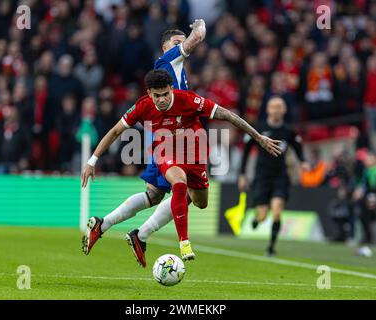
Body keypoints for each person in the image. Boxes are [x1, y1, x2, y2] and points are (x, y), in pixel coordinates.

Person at [81, 70, 282, 262]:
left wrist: (258, 137)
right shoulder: (142, 106)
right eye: (157, 95)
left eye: (165, 94)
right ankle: (184, 242)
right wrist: (92, 161)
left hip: (194, 154)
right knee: (178, 182)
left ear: (171, 88)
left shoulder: (188, 99)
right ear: (149, 93)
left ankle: (131, 232)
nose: (162, 99)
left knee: (199, 201)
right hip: (164, 152)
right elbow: (116, 131)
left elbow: (228, 115)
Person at [82, 20, 207, 266]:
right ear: (165, 48)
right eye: (176, 43)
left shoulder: (177, 70)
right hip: (169, 143)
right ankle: (141, 234)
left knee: (154, 194)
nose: (182, 46)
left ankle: (103, 224)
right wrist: (199, 26)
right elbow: (198, 37)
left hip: (175, 140)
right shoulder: (167, 62)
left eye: (181, 43)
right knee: (186, 193)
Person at [238, 97, 309, 256]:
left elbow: (298, 148)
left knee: (277, 211)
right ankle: (258, 218)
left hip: (280, 175)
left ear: (284, 110)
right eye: (273, 107)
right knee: (263, 215)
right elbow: (246, 151)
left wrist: (303, 162)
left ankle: (271, 247)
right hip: (262, 175)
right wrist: (242, 174)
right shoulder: (258, 129)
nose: (276, 110)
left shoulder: (288, 131)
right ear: (268, 110)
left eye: (279, 107)